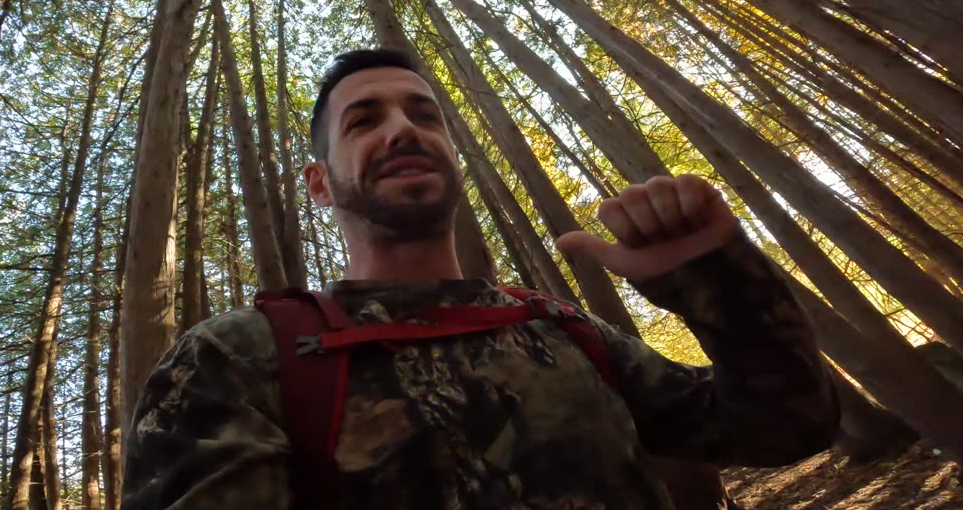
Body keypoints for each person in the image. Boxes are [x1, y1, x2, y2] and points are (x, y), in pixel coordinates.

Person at [122, 47, 839, 509]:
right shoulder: (235, 358)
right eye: (364, 121)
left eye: (424, 115)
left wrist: (717, 280)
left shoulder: (561, 332)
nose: (403, 130)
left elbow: (788, 429)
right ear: (318, 183)